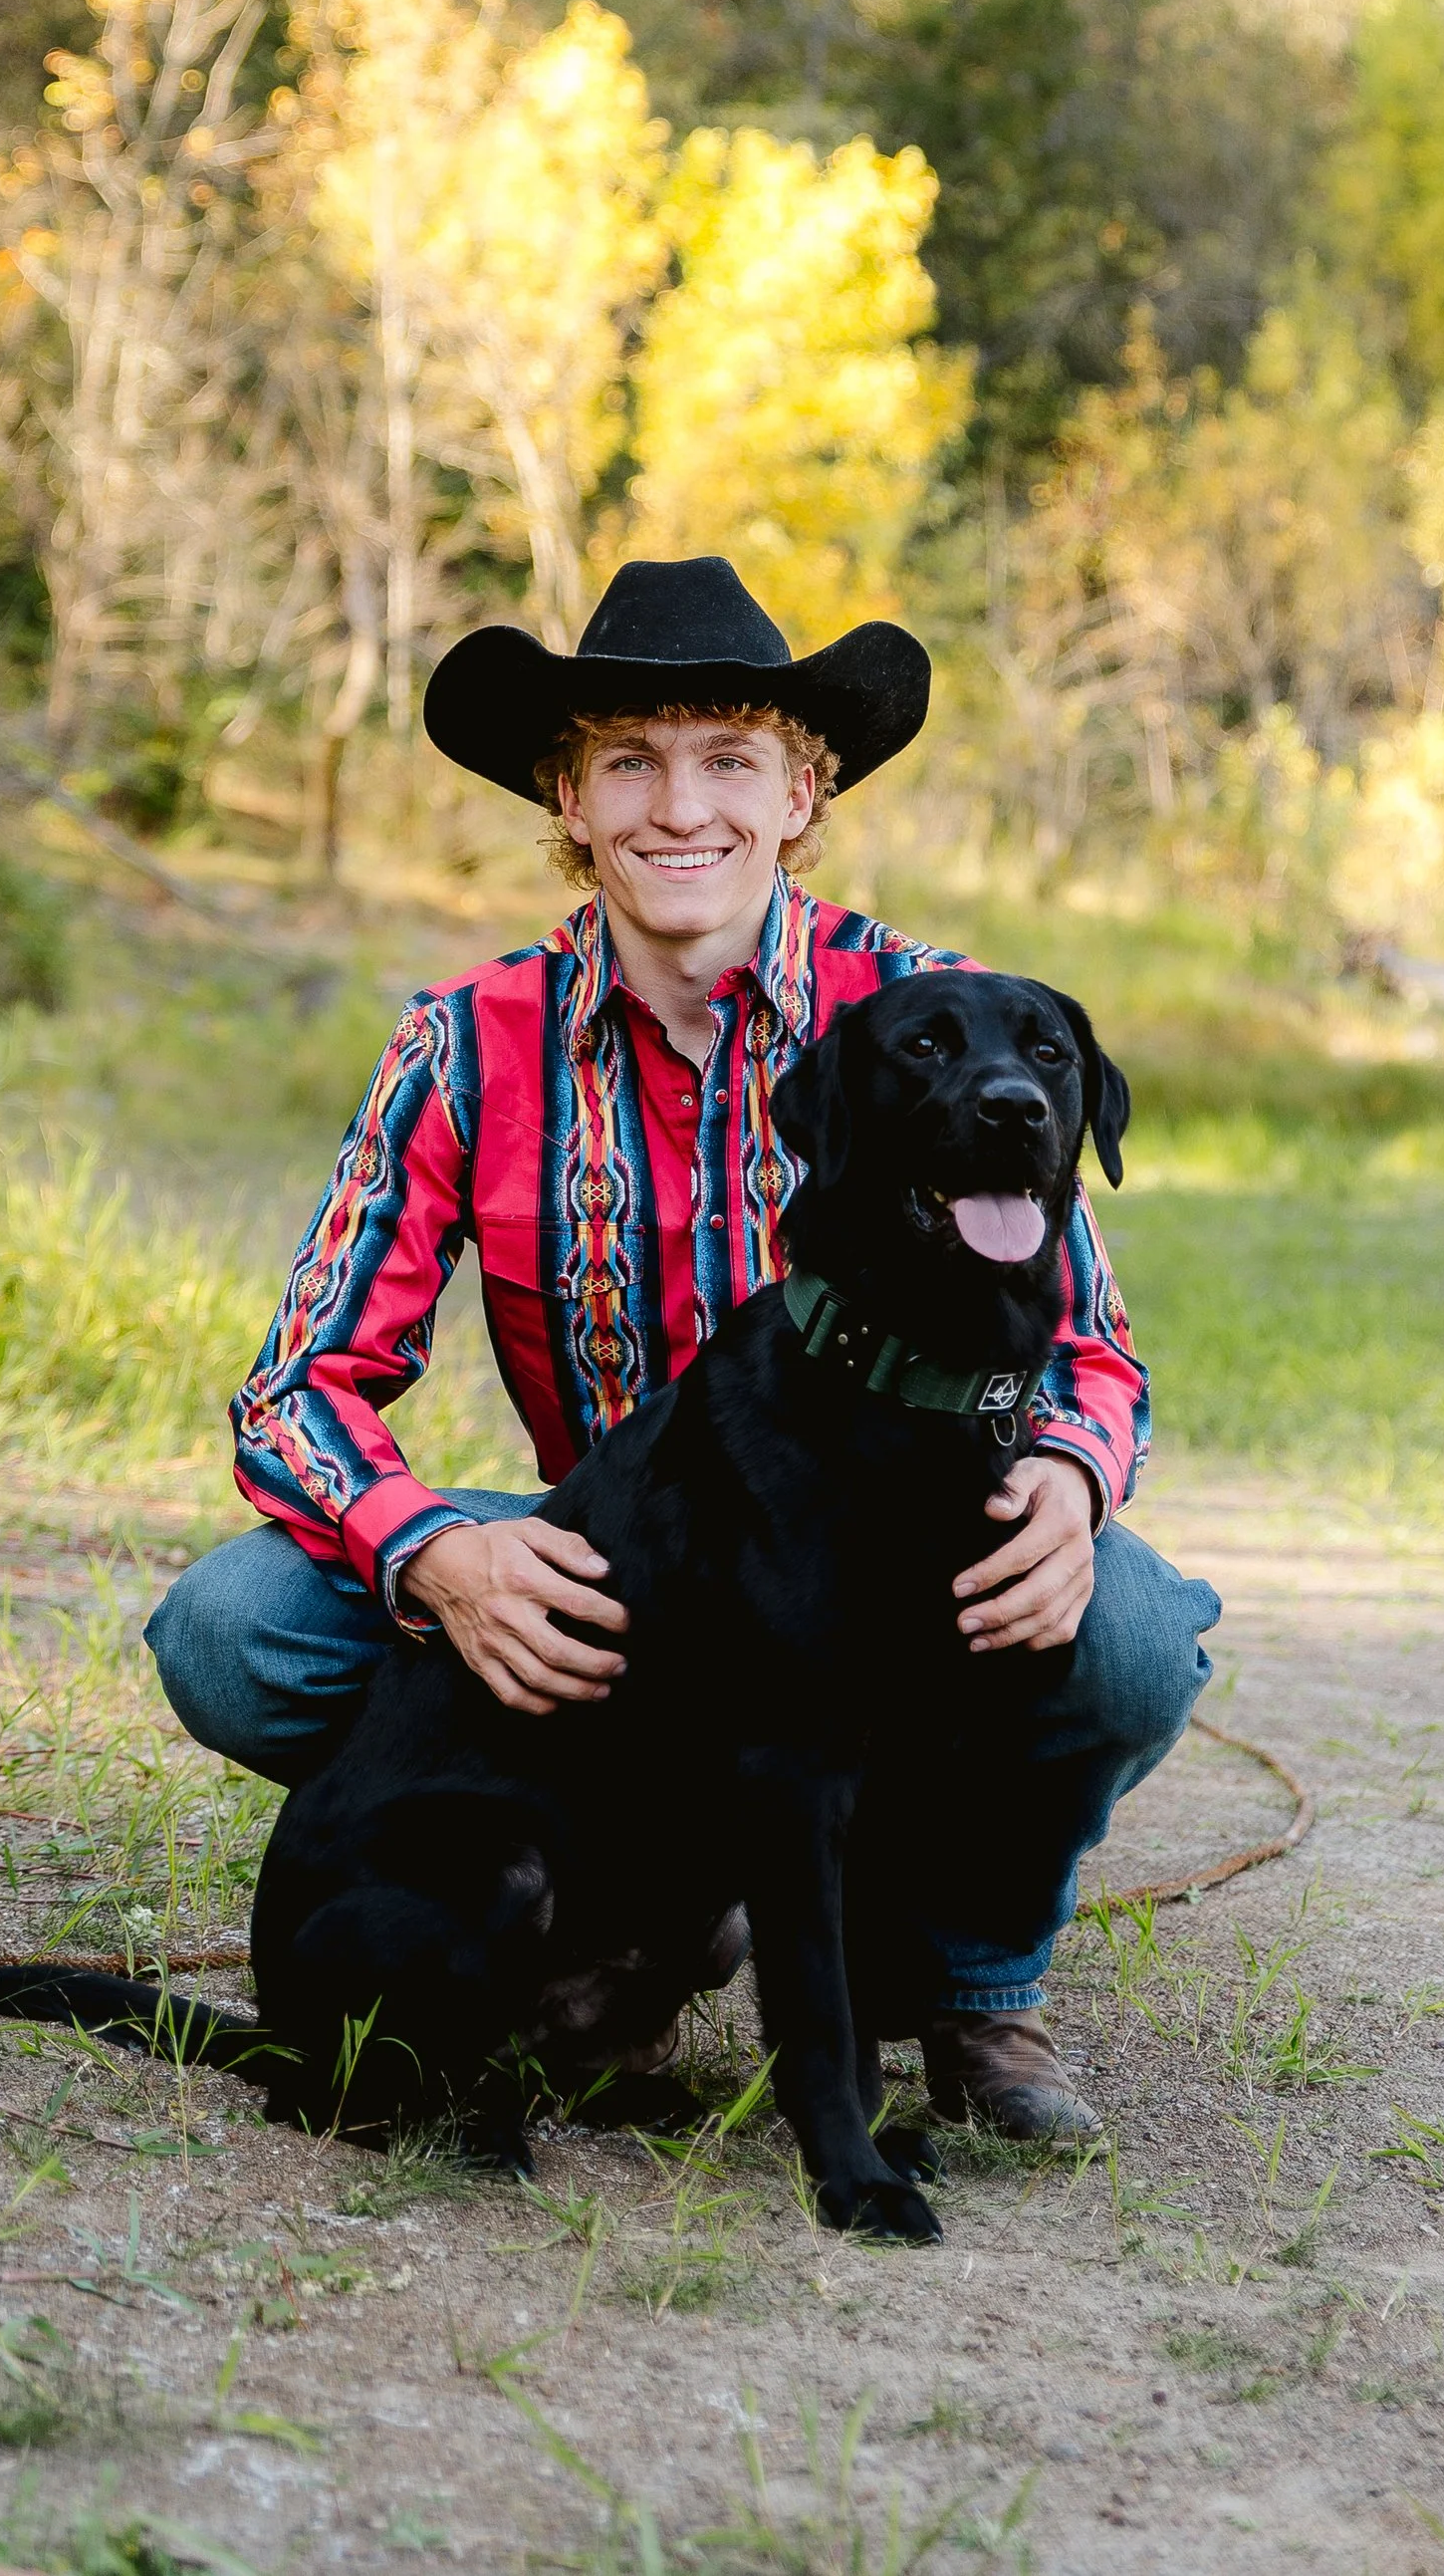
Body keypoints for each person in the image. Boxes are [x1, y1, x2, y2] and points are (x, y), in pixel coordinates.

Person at [146, 556, 1219, 2141]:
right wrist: (438, 1554)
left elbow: (1096, 1356)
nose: (681, 808)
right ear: (567, 799)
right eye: (629, 762)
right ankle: (595, 1926)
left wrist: (1067, 1476)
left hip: (871, 1548)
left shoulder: (937, 1019)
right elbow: (299, 1388)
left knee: (1120, 1629)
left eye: (731, 759)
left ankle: (973, 1993)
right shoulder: (464, 1041)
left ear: (803, 792)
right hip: (616, 1561)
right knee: (235, 1626)